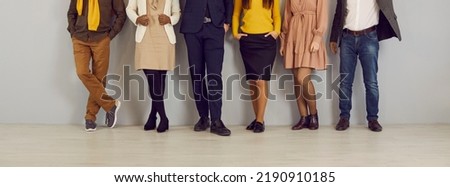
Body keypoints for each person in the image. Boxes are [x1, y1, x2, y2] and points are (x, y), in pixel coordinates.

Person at [329, 0, 401, 132]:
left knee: (371, 82)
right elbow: (338, 13)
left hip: (369, 37)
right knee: (345, 82)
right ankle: (344, 117)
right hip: (347, 38)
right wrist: (333, 38)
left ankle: (373, 119)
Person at [67, 0, 126, 132]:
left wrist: (109, 36)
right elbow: (71, 12)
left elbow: (121, 14)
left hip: (101, 39)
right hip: (80, 38)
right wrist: (73, 32)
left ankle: (90, 117)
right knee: (82, 72)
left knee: (99, 78)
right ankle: (110, 105)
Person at [180, 0, 233, 136]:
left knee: (214, 75)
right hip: (192, 28)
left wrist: (227, 21)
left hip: (215, 27)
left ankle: (216, 120)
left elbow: (229, 1)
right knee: (196, 74)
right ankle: (203, 117)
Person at [126, 0, 181, 133]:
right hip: (145, 38)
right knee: (152, 79)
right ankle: (163, 117)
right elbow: (129, 9)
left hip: (165, 38)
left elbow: (177, 13)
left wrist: (170, 19)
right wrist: (137, 19)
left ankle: (152, 116)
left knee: (160, 80)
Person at [232, 0, 281, 133]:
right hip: (248, 40)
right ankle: (257, 118)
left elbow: (276, 15)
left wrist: (276, 31)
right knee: (253, 81)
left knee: (261, 81)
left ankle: (260, 120)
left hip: (266, 41)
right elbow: (236, 14)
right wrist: (235, 33)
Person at [280, 0, 328, 131]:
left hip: (310, 35)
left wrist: (317, 38)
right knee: (296, 79)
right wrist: (283, 41)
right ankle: (303, 117)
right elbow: (287, 17)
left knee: (303, 78)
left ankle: (313, 115)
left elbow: (322, 15)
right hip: (293, 35)